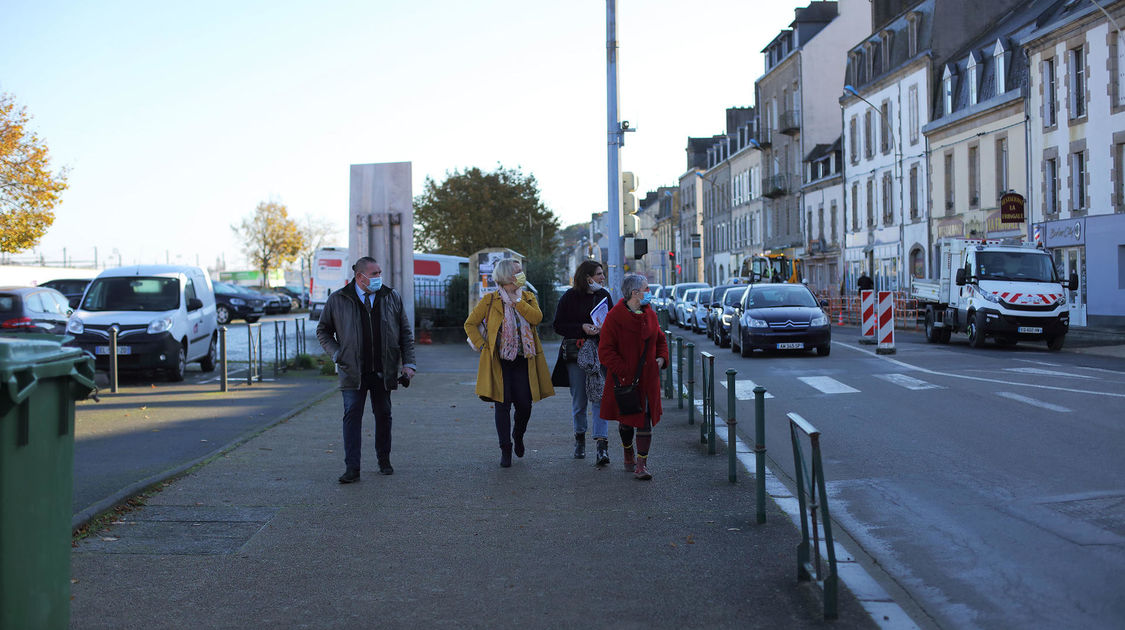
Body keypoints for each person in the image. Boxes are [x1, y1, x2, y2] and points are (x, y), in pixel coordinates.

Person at [316, 256, 416, 484]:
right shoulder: (338, 299)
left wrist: (409, 364)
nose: (379, 277)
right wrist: (337, 354)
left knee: (384, 415)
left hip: (384, 370)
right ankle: (352, 468)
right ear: (360, 277)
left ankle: (384, 460)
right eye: (374, 274)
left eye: (380, 272)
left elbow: (405, 333)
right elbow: (323, 331)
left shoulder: (391, 296)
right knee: (352, 416)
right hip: (353, 370)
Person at [464, 258, 554, 468]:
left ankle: (518, 434)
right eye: (518, 272)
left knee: (524, 405)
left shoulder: (528, 297)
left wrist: (517, 302)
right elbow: (470, 324)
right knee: (502, 405)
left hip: (524, 360)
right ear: (507, 276)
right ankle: (505, 449)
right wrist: (483, 345)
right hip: (500, 361)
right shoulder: (490, 300)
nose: (522, 275)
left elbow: (536, 318)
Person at [598, 273, 669, 480]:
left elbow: (661, 340)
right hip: (624, 381)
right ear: (635, 293)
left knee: (645, 420)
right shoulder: (614, 317)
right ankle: (628, 450)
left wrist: (661, 359)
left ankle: (641, 464)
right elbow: (605, 351)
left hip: (648, 380)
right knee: (627, 422)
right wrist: (625, 371)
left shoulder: (650, 315)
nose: (649, 293)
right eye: (646, 289)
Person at [552, 260, 613, 464]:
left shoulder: (604, 296)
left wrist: (604, 329)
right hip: (577, 354)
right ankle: (579, 438)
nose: (602, 278)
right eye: (598, 274)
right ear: (587, 277)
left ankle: (601, 446)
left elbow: (612, 323)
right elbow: (558, 325)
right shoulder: (569, 297)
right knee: (579, 400)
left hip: (600, 353)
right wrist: (582, 328)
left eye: (602, 274)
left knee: (599, 397)